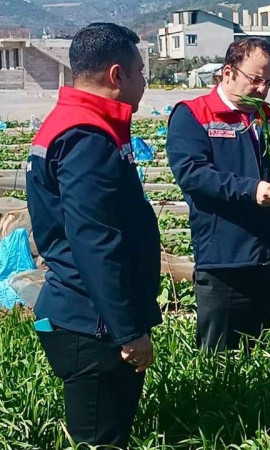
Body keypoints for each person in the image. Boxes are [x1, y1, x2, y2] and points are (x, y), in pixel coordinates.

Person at [26, 23, 161, 446]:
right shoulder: (86, 136)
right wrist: (128, 331)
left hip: (89, 313)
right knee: (100, 439)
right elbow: (95, 241)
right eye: (141, 71)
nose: (145, 81)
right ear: (116, 75)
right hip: (93, 323)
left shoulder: (75, 122)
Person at [167, 38, 270, 352]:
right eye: (255, 80)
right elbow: (193, 174)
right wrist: (251, 190)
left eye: (269, 81)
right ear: (228, 73)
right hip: (225, 259)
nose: (263, 89)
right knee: (220, 359)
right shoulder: (194, 115)